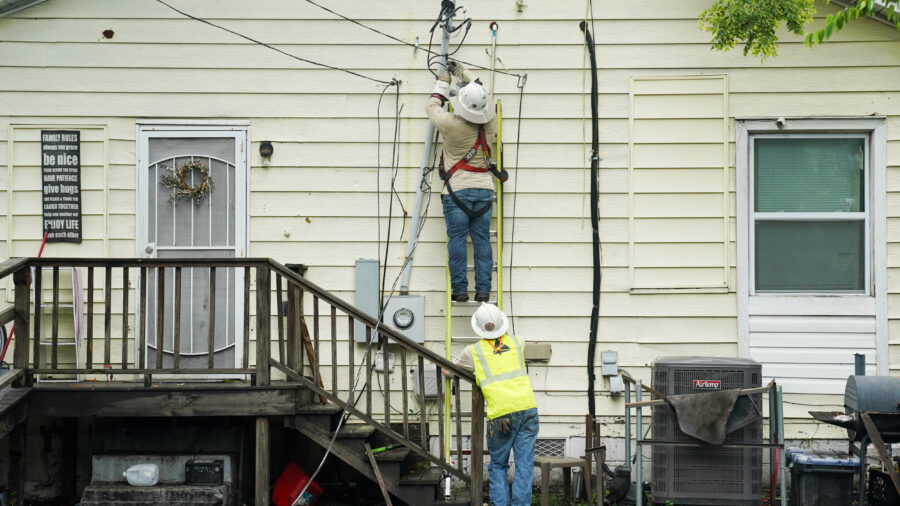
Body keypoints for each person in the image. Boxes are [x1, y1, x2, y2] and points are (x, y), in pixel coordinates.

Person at [426, 61, 504, 303]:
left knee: (457, 240)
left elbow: (431, 106)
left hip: (457, 191)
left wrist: (444, 82)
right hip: (483, 190)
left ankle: (459, 291)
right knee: (482, 240)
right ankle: (483, 291)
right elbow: (483, 92)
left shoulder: (450, 123)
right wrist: (465, 72)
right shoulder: (490, 122)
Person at [448, 303, 539, 506]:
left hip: (502, 416)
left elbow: (449, 372)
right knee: (524, 465)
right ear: (502, 325)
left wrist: (449, 366)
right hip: (528, 410)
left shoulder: (472, 352)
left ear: (478, 328)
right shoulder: (518, 342)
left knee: (498, 465)